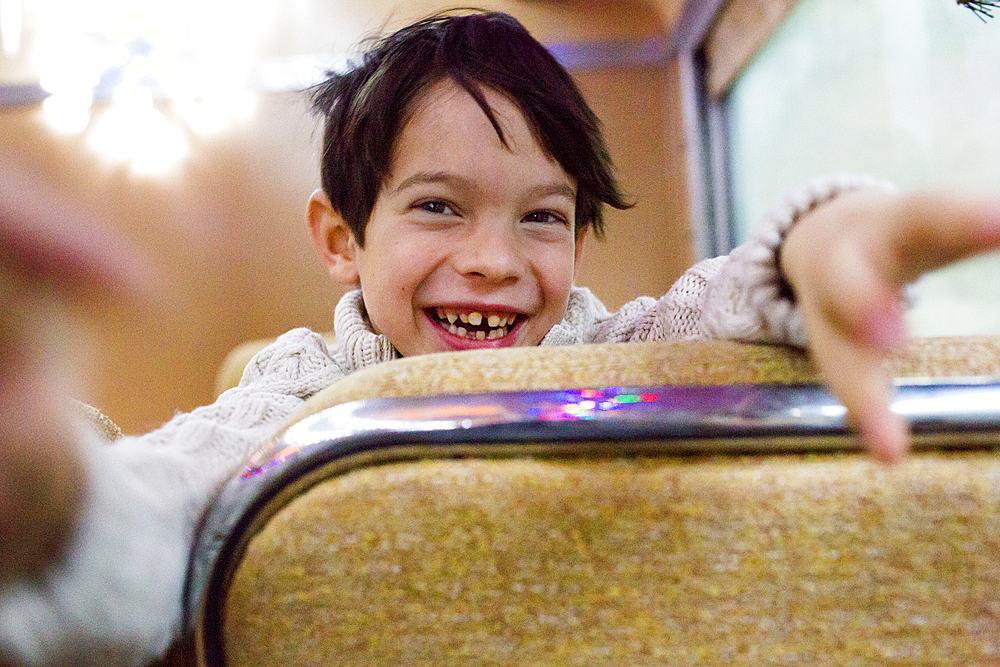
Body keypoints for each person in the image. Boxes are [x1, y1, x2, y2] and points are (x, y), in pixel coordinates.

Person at [2, 9, 1000, 666]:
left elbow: (725, 302)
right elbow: (157, 507)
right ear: (342, 240)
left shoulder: (608, 356)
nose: (493, 259)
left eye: (541, 217)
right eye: (438, 208)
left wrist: (822, 239)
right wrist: (48, 510)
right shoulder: (295, 399)